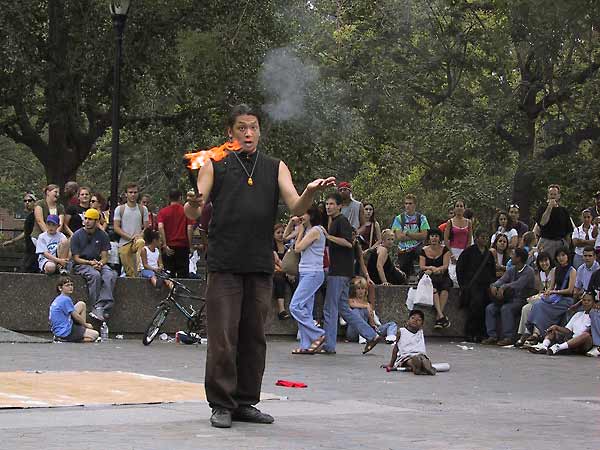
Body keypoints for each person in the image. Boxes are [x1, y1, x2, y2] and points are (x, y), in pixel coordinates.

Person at [183, 104, 335, 429]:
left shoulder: (275, 167)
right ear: (230, 132)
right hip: (224, 262)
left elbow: (296, 204)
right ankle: (221, 404)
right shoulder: (214, 163)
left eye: (253, 127)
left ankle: (246, 402)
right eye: (241, 128)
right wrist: (192, 204)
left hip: (259, 262)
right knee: (223, 335)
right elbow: (194, 212)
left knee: (254, 336)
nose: (248, 133)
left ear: (259, 130)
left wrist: (309, 192)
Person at [321, 192, 384, 356]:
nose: (329, 207)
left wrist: (328, 237)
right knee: (343, 308)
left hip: (339, 272)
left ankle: (329, 345)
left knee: (330, 308)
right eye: (327, 204)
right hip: (342, 271)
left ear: (340, 206)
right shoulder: (335, 221)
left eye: (332, 204)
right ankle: (371, 335)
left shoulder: (341, 221)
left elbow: (348, 243)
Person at [289, 205, 327, 354]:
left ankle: (318, 334)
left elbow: (297, 248)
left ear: (311, 215)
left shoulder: (316, 230)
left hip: (313, 273)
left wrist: (299, 231)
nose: (302, 217)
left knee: (295, 306)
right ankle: (306, 345)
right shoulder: (308, 231)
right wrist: (298, 228)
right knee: (305, 308)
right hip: (306, 272)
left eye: (304, 214)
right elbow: (287, 238)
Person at [482, 248, 536, 346]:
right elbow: (502, 280)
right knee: (490, 308)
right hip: (508, 298)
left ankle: (509, 337)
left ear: (519, 258)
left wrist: (504, 287)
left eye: (513, 254)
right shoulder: (511, 270)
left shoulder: (529, 271)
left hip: (522, 299)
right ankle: (492, 335)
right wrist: (494, 286)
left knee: (506, 308)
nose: (511, 257)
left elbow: (519, 284)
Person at [70, 208, 117, 322]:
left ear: (96, 221)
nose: (87, 221)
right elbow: (76, 258)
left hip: (97, 262)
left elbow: (105, 256)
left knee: (110, 275)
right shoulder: (77, 235)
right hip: (82, 263)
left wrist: (100, 263)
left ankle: (101, 306)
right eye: (85, 218)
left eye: (90, 219)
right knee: (95, 275)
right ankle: (95, 306)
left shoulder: (103, 235)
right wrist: (90, 263)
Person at [525, 247, 576, 343]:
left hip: (566, 300)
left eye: (563, 255)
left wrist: (554, 292)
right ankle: (535, 333)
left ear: (567, 256)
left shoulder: (572, 271)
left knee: (542, 307)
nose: (561, 258)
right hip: (555, 297)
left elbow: (570, 290)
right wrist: (547, 292)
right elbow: (551, 287)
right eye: (558, 256)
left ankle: (539, 334)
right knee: (537, 304)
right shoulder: (555, 270)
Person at [456, 230, 496, 343]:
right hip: (472, 286)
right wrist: (463, 285)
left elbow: (492, 271)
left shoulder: (489, 254)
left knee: (484, 309)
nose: (484, 240)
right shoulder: (468, 252)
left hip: (485, 286)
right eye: (482, 237)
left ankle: (481, 333)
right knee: (474, 308)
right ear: (477, 238)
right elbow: (460, 268)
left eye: (486, 238)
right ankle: (469, 332)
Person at [529, 292, 594, 355]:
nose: (586, 302)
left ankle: (558, 348)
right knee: (553, 329)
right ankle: (544, 346)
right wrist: (556, 327)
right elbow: (568, 330)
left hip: (584, 343)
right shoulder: (578, 314)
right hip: (571, 339)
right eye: (584, 300)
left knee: (586, 335)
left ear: (593, 302)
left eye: (589, 301)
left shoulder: (595, 316)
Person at [514, 252, 553, 347]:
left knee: (537, 306)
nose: (544, 264)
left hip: (551, 300)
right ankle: (525, 333)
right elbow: (540, 290)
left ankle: (536, 335)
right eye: (541, 262)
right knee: (526, 308)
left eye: (546, 261)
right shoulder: (540, 274)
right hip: (542, 297)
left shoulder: (554, 271)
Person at [382, 309, 436, 375]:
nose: (415, 321)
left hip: (420, 355)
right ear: (408, 321)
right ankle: (419, 367)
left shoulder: (420, 332)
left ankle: (424, 367)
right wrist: (391, 364)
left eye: (419, 320)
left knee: (423, 359)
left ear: (422, 324)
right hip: (406, 357)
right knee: (411, 361)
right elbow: (396, 349)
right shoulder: (401, 331)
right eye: (413, 318)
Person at [346, 276, 397, 344]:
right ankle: (362, 335)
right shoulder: (351, 300)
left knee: (392, 324)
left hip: (368, 329)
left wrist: (372, 321)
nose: (361, 291)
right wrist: (367, 306)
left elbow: (372, 323)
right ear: (355, 290)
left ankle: (391, 338)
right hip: (354, 332)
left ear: (365, 290)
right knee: (357, 311)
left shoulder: (368, 304)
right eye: (358, 288)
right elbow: (352, 305)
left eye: (363, 289)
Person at [419, 228, 453, 329]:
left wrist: (439, 269)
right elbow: (422, 266)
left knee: (445, 287)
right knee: (433, 288)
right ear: (429, 238)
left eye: (436, 236)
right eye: (432, 236)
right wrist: (431, 268)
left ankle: (439, 317)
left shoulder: (445, 249)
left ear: (439, 238)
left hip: (442, 275)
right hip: (428, 276)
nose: (434, 238)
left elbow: (446, 265)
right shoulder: (423, 250)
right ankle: (441, 316)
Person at [114, 182, 149, 277]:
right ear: (126, 194)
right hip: (124, 242)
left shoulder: (143, 209)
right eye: (130, 192)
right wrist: (129, 237)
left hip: (137, 240)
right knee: (130, 272)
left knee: (141, 242)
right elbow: (116, 227)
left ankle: (139, 267)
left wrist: (140, 235)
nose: (133, 195)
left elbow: (146, 226)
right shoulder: (120, 209)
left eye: (135, 192)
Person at [157, 189, 194, 278]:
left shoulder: (163, 212)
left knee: (169, 275)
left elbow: (160, 227)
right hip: (182, 246)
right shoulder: (186, 211)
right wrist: (190, 246)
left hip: (169, 247)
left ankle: (169, 291)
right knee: (183, 274)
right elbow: (189, 228)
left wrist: (165, 244)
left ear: (169, 198)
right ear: (180, 198)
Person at [49, 276, 99, 343]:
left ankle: (81, 330)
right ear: (60, 288)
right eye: (67, 285)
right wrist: (86, 325)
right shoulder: (66, 299)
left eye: (71, 285)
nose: (70, 287)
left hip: (59, 328)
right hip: (65, 331)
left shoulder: (59, 298)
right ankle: (65, 339)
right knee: (95, 335)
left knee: (81, 304)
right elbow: (76, 316)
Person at [391, 194, 430, 276]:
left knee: (424, 256)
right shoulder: (399, 218)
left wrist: (408, 233)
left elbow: (424, 235)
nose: (407, 206)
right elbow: (399, 237)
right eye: (406, 203)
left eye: (410, 203)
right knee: (404, 271)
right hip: (403, 248)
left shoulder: (422, 218)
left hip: (418, 247)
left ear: (415, 205)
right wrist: (416, 235)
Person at [533, 184, 573, 260]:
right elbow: (542, 222)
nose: (553, 196)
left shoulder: (564, 211)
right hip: (546, 242)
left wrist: (566, 246)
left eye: (555, 194)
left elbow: (568, 231)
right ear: (548, 195)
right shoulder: (542, 208)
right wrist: (549, 207)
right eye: (551, 194)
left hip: (560, 242)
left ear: (559, 196)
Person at [1, 192, 38, 273]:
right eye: (25, 201)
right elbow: (25, 233)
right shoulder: (29, 216)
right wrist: (12, 241)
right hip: (29, 249)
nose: (27, 203)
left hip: (36, 248)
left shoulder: (37, 215)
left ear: (35, 202)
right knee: (24, 269)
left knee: (26, 269)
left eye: (29, 200)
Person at [443, 199, 472, 264]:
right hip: (453, 251)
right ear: (454, 209)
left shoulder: (468, 222)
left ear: (464, 209)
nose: (459, 208)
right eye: (457, 206)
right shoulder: (450, 222)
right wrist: (451, 254)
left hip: (464, 251)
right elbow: (446, 239)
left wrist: (465, 253)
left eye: (461, 206)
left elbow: (469, 239)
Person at [272, 223, 291, 320]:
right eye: (278, 232)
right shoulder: (271, 247)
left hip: (286, 271)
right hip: (276, 271)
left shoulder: (288, 247)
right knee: (279, 279)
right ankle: (281, 310)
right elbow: (276, 262)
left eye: (283, 232)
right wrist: (286, 271)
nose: (280, 234)